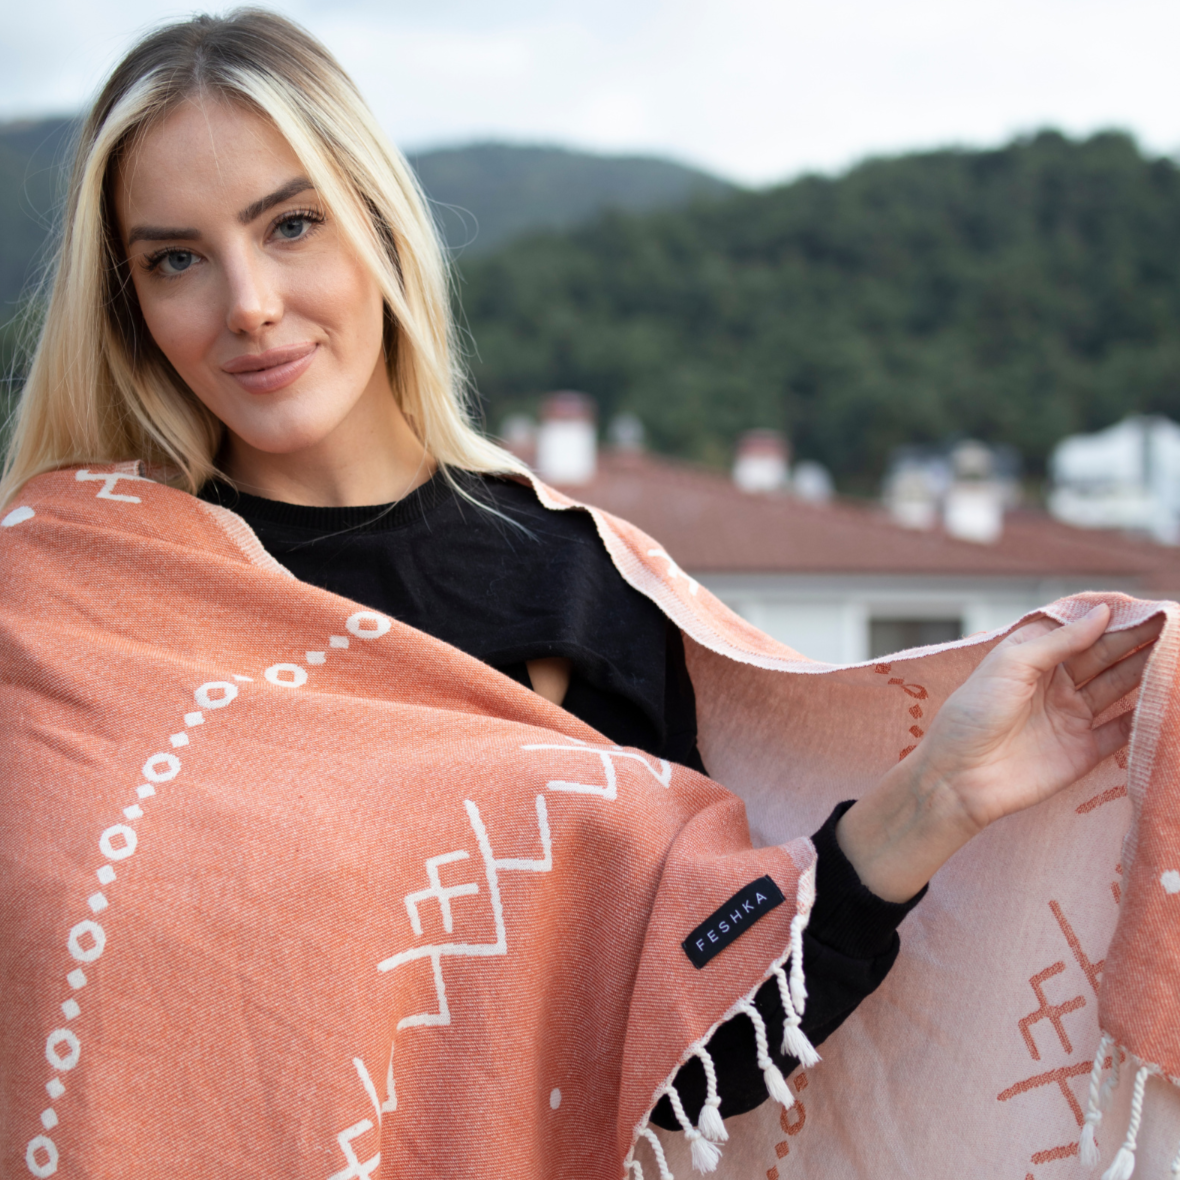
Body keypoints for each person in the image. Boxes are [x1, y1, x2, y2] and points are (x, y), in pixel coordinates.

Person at [0, 10, 1161, 1176]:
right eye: (176, 258)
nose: (246, 302)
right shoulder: (66, 595)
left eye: (291, 223)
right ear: (130, 304)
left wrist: (937, 798)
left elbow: (676, 1058)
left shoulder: (567, 584)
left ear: (378, 226)